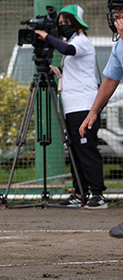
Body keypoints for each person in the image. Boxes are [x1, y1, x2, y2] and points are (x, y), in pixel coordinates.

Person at [35, 5, 107, 209]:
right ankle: (80, 193)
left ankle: (98, 195)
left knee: (87, 149)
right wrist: (59, 73)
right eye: (60, 24)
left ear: (76, 23)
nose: (62, 27)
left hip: (84, 107)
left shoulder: (81, 41)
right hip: (72, 108)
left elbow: (67, 50)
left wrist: (46, 36)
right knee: (75, 150)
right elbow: (75, 68)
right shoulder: (73, 42)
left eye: (65, 23)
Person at [80, 0, 123, 237]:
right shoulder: (119, 45)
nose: (117, 16)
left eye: (121, 11)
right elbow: (110, 79)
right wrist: (93, 111)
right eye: (115, 11)